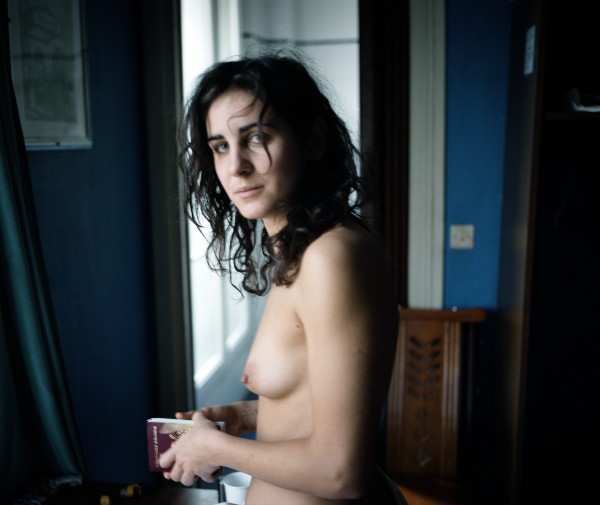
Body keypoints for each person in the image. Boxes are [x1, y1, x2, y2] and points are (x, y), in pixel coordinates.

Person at [159, 50, 405, 505]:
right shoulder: (303, 250)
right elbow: (320, 406)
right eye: (220, 146)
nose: (236, 166)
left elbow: (340, 473)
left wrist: (214, 447)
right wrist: (246, 415)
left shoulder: (332, 257)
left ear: (312, 140)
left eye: (256, 137)